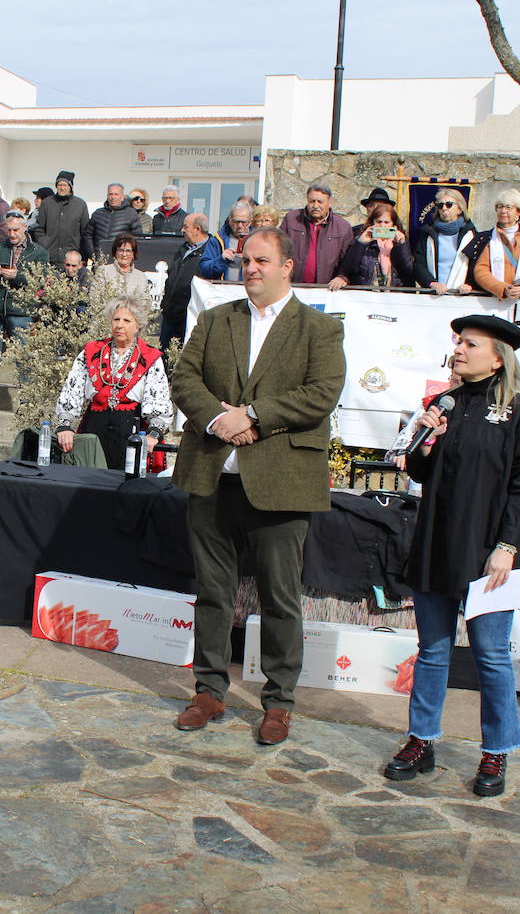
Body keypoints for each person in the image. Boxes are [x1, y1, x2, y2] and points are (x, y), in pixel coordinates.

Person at [169, 227, 347, 746]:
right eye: (245, 260)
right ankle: (208, 690)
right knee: (212, 593)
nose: (250, 269)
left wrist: (253, 416)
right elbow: (185, 381)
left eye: (262, 261)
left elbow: (322, 394)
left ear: (287, 266)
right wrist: (216, 421)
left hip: (281, 482)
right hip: (212, 478)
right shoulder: (215, 318)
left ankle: (279, 702)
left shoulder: (318, 328)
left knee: (280, 598)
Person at [384, 315, 520, 798]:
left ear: (497, 357)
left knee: (492, 656)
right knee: (433, 652)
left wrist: (507, 548)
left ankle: (496, 750)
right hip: (438, 546)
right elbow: (416, 468)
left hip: (491, 556)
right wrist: (425, 433)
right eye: (457, 341)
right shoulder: (444, 403)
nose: (458, 349)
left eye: (469, 344)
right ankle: (421, 740)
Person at [55, 297, 172, 469]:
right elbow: (72, 389)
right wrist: (65, 426)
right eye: (116, 319)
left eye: (126, 320)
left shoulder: (149, 357)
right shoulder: (91, 351)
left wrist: (154, 433)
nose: (119, 325)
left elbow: (158, 399)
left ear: (138, 324)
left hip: (131, 431)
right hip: (94, 429)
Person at [0, 210, 49, 414]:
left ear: (25, 228)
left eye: (16, 229)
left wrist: (18, 275)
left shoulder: (39, 252)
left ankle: (26, 402)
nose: (12, 234)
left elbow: (39, 281)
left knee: (23, 356)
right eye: (9, 230)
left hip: (21, 309)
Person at [157, 213, 225, 355]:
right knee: (164, 355)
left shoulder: (209, 252)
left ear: (197, 229)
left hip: (189, 316)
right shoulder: (183, 249)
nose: (182, 230)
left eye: (185, 227)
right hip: (171, 314)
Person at [466, 189, 520, 299]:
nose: (503, 211)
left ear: (518, 213)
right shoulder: (485, 239)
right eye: (500, 207)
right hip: (494, 300)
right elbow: (480, 271)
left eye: (508, 207)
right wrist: (503, 289)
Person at [278, 183, 352, 286]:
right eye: (312, 201)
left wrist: (342, 277)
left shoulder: (343, 227)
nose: (315, 206)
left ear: (330, 202)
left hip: (326, 290)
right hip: (293, 286)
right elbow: (278, 249)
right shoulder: (291, 220)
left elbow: (349, 260)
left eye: (320, 202)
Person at [328, 201, 412, 290]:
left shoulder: (400, 243)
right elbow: (348, 269)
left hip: (393, 296)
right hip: (366, 296)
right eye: (379, 222)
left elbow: (408, 271)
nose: (382, 226)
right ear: (373, 223)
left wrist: (402, 245)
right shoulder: (363, 240)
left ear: (393, 224)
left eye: (386, 222)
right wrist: (361, 243)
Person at [411, 188, 476, 294]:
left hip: (462, 295)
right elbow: (418, 264)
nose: (444, 208)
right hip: (433, 295)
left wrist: (469, 284)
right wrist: (431, 283)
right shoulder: (427, 233)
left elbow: (476, 264)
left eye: (449, 204)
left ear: (460, 209)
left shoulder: (471, 234)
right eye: (440, 205)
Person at [33, 171, 90, 265]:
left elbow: (85, 232)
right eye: (59, 184)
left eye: (65, 185)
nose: (62, 188)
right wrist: (44, 243)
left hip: (71, 259)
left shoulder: (80, 204)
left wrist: (83, 255)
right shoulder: (47, 203)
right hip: (49, 256)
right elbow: (39, 228)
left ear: (70, 187)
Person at [84, 183, 143, 262]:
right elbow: (87, 236)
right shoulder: (97, 214)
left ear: (122, 197)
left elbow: (137, 239)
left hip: (121, 261)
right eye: (110, 194)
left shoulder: (131, 214)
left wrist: (126, 256)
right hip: (100, 261)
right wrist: (93, 255)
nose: (113, 197)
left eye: (116, 194)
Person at [94, 234, 149, 300]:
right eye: (121, 250)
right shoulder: (103, 271)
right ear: (115, 253)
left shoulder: (141, 277)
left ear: (133, 254)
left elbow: (145, 303)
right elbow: (95, 298)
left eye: (128, 251)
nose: (124, 254)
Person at [217, 202, 254, 280]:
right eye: (236, 222)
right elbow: (204, 269)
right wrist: (221, 259)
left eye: (244, 222)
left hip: (248, 290)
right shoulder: (218, 239)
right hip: (223, 290)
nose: (240, 226)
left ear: (250, 221)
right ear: (230, 220)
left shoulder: (258, 240)